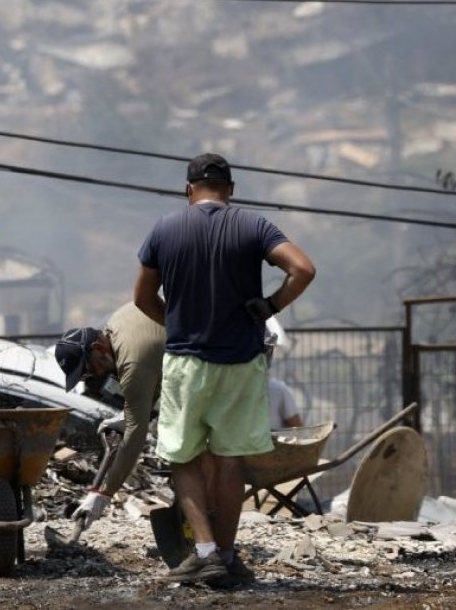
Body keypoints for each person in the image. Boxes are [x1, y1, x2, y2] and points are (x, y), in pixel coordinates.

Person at [134, 152, 315, 586]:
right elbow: (303, 269)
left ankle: (205, 552)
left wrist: (177, 324)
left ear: (188, 189)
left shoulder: (165, 228)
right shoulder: (254, 226)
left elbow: (142, 298)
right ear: (231, 190)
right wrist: (270, 305)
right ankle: (229, 556)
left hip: (186, 363)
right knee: (232, 461)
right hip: (241, 363)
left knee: (183, 457)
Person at [53, 301, 166, 529]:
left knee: (182, 451)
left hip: (215, 364)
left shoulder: (131, 363)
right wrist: (129, 416)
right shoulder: (116, 322)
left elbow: (135, 438)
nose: (94, 375)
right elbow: (153, 372)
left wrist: (104, 494)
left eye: (89, 368)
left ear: (98, 348)